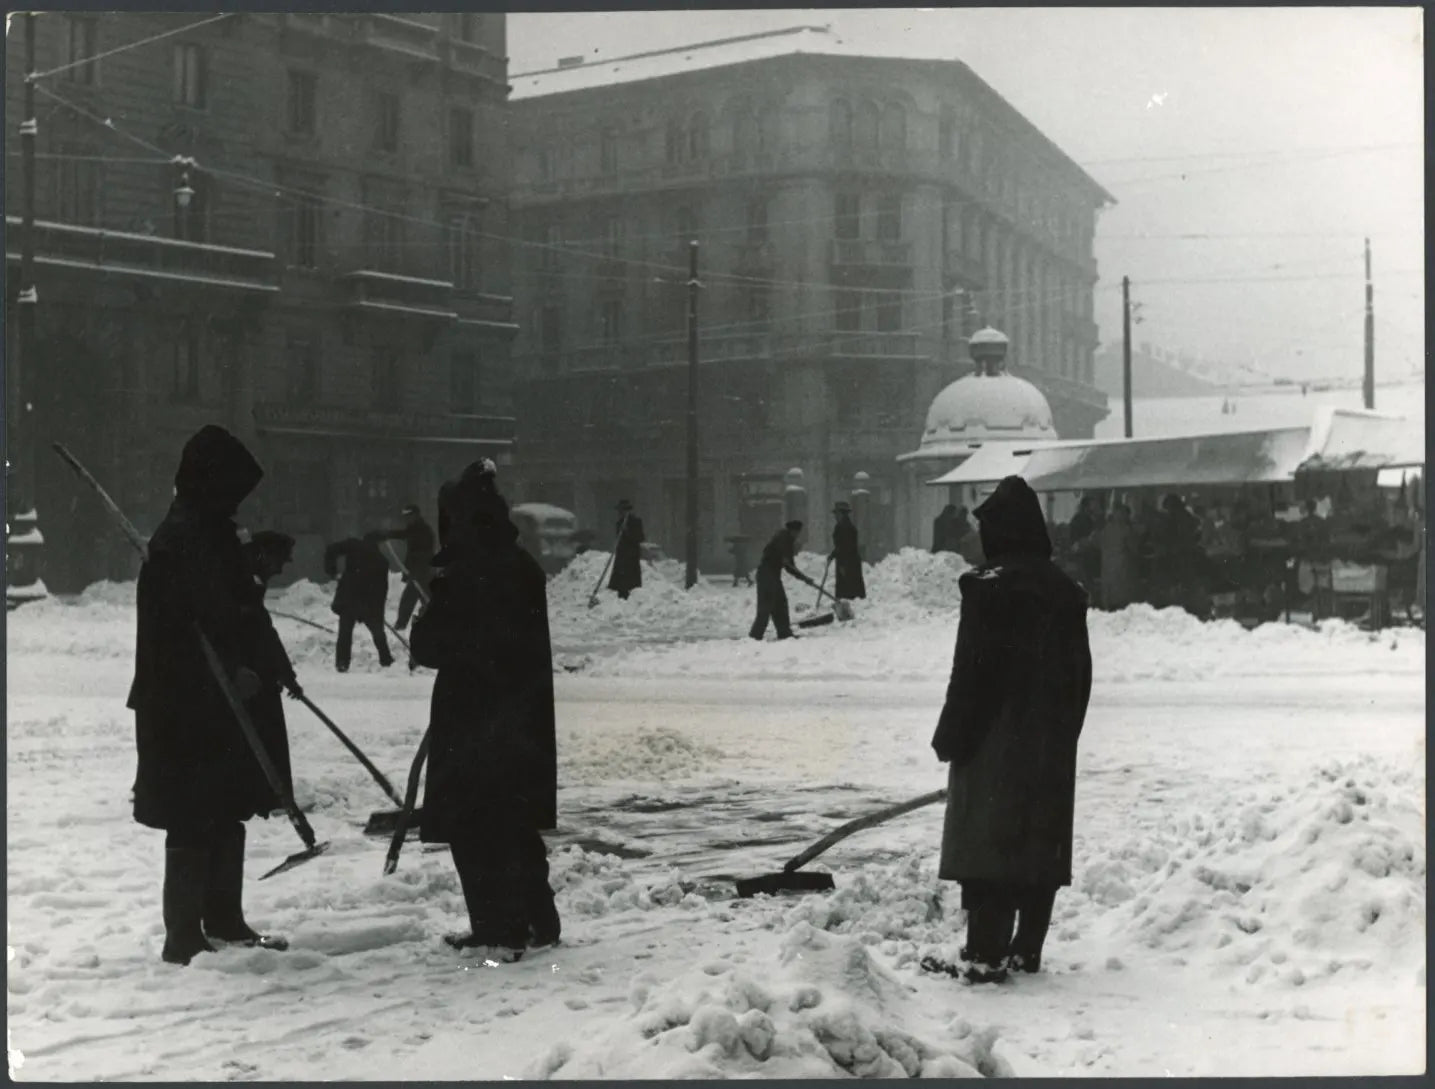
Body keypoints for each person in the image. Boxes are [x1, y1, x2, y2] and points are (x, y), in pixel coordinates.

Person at [128, 425, 293, 966]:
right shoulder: (178, 541)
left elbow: (239, 610)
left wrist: (262, 665)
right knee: (193, 811)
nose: (237, 502)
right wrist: (229, 670)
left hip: (223, 698)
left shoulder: (211, 533)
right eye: (231, 488)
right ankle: (183, 936)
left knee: (226, 807)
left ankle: (224, 919)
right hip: (187, 701)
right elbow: (179, 631)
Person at [926, 475, 1092, 984]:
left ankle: (984, 953)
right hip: (1048, 743)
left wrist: (952, 733)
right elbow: (1080, 676)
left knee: (989, 842)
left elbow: (971, 672)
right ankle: (1026, 950)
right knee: (1038, 842)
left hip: (993, 742)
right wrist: (1061, 735)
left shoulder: (987, 589)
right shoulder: (1065, 592)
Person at [410, 460, 560, 961]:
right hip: (520, 717)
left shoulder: (469, 573)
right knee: (512, 819)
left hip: (473, 718)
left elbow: (432, 647)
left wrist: (432, 606)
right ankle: (537, 918)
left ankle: (497, 928)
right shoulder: (518, 565)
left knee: (473, 826)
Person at [323, 531, 393, 672]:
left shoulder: (353, 545)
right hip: (369, 602)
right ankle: (386, 660)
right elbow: (381, 591)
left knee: (345, 632)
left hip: (349, 598)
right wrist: (379, 613)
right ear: (378, 543)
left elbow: (331, 549)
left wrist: (332, 571)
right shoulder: (382, 561)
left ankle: (342, 663)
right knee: (378, 632)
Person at [750, 519, 817, 640]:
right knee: (766, 606)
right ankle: (755, 635)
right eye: (797, 533)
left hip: (773, 575)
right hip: (766, 574)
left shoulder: (786, 539)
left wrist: (804, 578)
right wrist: (784, 557)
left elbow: (790, 566)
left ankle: (784, 632)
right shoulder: (783, 538)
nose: (798, 536)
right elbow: (785, 560)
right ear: (793, 531)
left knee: (780, 603)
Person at [384, 503, 435, 631]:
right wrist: (386, 534)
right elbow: (403, 534)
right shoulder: (414, 528)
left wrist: (417, 570)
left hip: (424, 572)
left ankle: (402, 624)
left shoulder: (424, 530)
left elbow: (425, 554)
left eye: (409, 516)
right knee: (423, 598)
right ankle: (404, 624)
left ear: (416, 515)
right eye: (406, 517)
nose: (407, 520)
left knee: (418, 598)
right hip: (418, 572)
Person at [1097, 503, 1139, 610]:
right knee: (1120, 591)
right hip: (1120, 563)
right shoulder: (1125, 529)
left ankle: (1108, 608)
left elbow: (1099, 544)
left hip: (1106, 563)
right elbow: (1133, 548)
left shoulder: (1105, 528)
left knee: (1108, 589)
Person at [607, 499, 644, 600]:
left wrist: (627, 532)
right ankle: (621, 600)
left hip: (631, 557)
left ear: (628, 511)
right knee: (621, 584)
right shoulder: (619, 523)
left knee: (631, 584)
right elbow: (619, 540)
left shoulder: (636, 522)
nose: (620, 513)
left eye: (622, 511)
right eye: (619, 511)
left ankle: (632, 602)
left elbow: (640, 538)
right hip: (621, 557)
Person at [830, 502, 866, 601]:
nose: (835, 516)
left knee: (847, 589)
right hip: (849, 561)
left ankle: (847, 607)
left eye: (837, 514)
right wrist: (832, 555)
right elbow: (840, 546)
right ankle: (849, 604)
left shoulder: (844, 528)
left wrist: (842, 564)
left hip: (848, 562)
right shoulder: (844, 526)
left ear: (842, 514)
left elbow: (845, 547)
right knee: (849, 588)